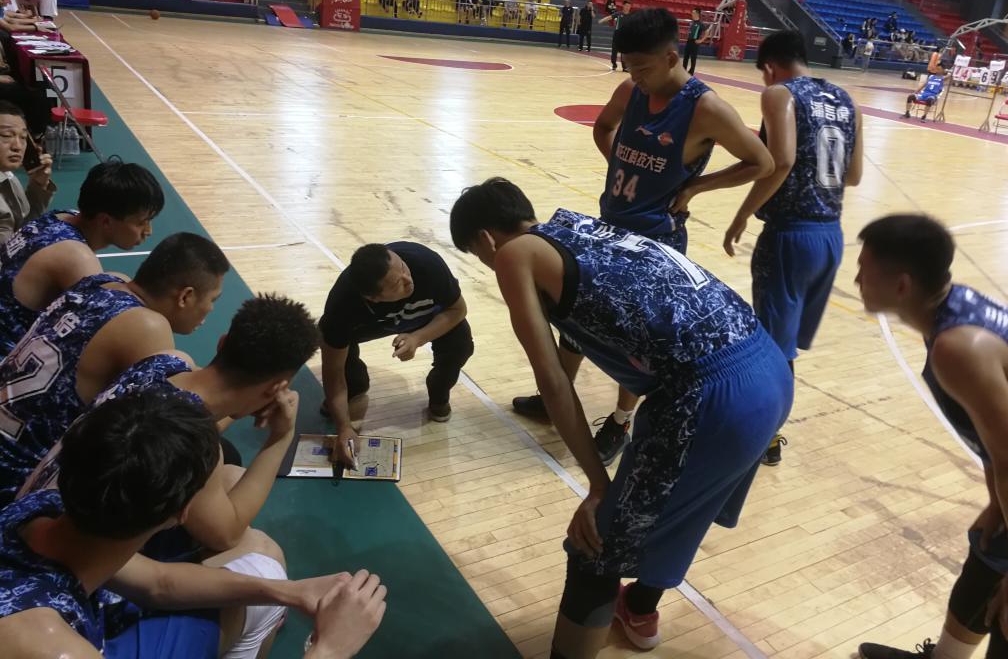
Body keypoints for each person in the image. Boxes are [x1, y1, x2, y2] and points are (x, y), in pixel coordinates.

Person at [450, 179, 793, 656]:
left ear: (486, 239)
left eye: (477, 254)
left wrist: (598, 484)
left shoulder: (514, 254)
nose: (488, 262)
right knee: (683, 508)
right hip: (768, 367)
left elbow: (553, 382)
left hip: (713, 398)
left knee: (594, 546)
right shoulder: (579, 227)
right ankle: (638, 608)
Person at [513, 9, 775, 465]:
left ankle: (620, 421)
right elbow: (603, 126)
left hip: (656, 242)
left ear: (672, 57)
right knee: (575, 315)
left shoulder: (706, 108)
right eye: (628, 67)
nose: (634, 76)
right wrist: (617, 163)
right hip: (610, 225)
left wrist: (695, 187)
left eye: (642, 67)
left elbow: (763, 162)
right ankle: (555, 398)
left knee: (636, 340)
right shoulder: (631, 89)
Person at [0, 389, 387, 659]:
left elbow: (157, 583)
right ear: (182, 514)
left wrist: (288, 592)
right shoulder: (49, 645)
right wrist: (329, 649)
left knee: (264, 574)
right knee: (262, 565)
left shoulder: (41, 511)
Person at [20, 294, 320, 560]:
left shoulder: (165, 362)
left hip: (31, 510)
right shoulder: (195, 441)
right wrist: (280, 438)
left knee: (230, 474)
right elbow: (225, 534)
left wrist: (247, 405)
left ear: (222, 342)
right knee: (259, 549)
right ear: (276, 387)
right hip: (70, 558)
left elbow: (195, 415)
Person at [854, 215, 1008, 659]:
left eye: (864, 270)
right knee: (983, 567)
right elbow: (996, 439)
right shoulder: (955, 307)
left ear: (902, 285)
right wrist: (997, 502)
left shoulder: (957, 349)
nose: (856, 280)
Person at [0, 231, 228, 506]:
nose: (211, 309)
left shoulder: (105, 281)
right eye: (213, 299)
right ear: (186, 296)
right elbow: (171, 431)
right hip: (15, 471)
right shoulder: (147, 328)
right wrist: (241, 399)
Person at [724, 30, 862, 465]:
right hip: (831, 237)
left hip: (789, 237)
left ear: (769, 67)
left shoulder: (780, 94)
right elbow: (853, 176)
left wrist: (743, 214)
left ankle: (767, 435)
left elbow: (780, 161)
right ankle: (771, 428)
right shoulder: (847, 100)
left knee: (772, 347)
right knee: (786, 346)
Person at [320, 242, 473, 467]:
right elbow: (333, 372)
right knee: (333, 345)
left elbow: (458, 310)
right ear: (373, 297)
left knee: (460, 345)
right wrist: (344, 427)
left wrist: (418, 338)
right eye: (396, 283)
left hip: (425, 316)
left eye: (402, 267)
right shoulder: (343, 305)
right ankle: (356, 386)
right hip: (374, 324)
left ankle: (439, 393)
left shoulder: (426, 263)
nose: (407, 279)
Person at [0, 159, 163, 358]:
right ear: (105, 221)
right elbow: (100, 336)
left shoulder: (63, 216)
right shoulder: (77, 258)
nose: (148, 231)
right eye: (141, 222)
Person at [0, 102, 54, 245]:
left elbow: (25, 228)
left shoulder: (10, 178)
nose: (17, 146)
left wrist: (38, 184)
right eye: (6, 135)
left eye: (23, 137)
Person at [598, 0, 632, 71]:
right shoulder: (619, 14)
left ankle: (625, 67)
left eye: (629, 6)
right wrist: (602, 20)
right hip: (617, 35)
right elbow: (610, 17)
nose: (627, 7)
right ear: (623, 6)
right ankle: (614, 64)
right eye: (626, 6)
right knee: (614, 51)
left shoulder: (631, 16)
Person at [682, 8, 706, 76]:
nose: (692, 14)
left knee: (693, 58)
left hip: (695, 42)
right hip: (689, 41)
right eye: (692, 12)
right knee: (685, 57)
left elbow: (707, 32)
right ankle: (683, 70)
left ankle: (691, 72)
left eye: (693, 13)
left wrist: (701, 40)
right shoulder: (692, 22)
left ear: (697, 14)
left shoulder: (700, 24)